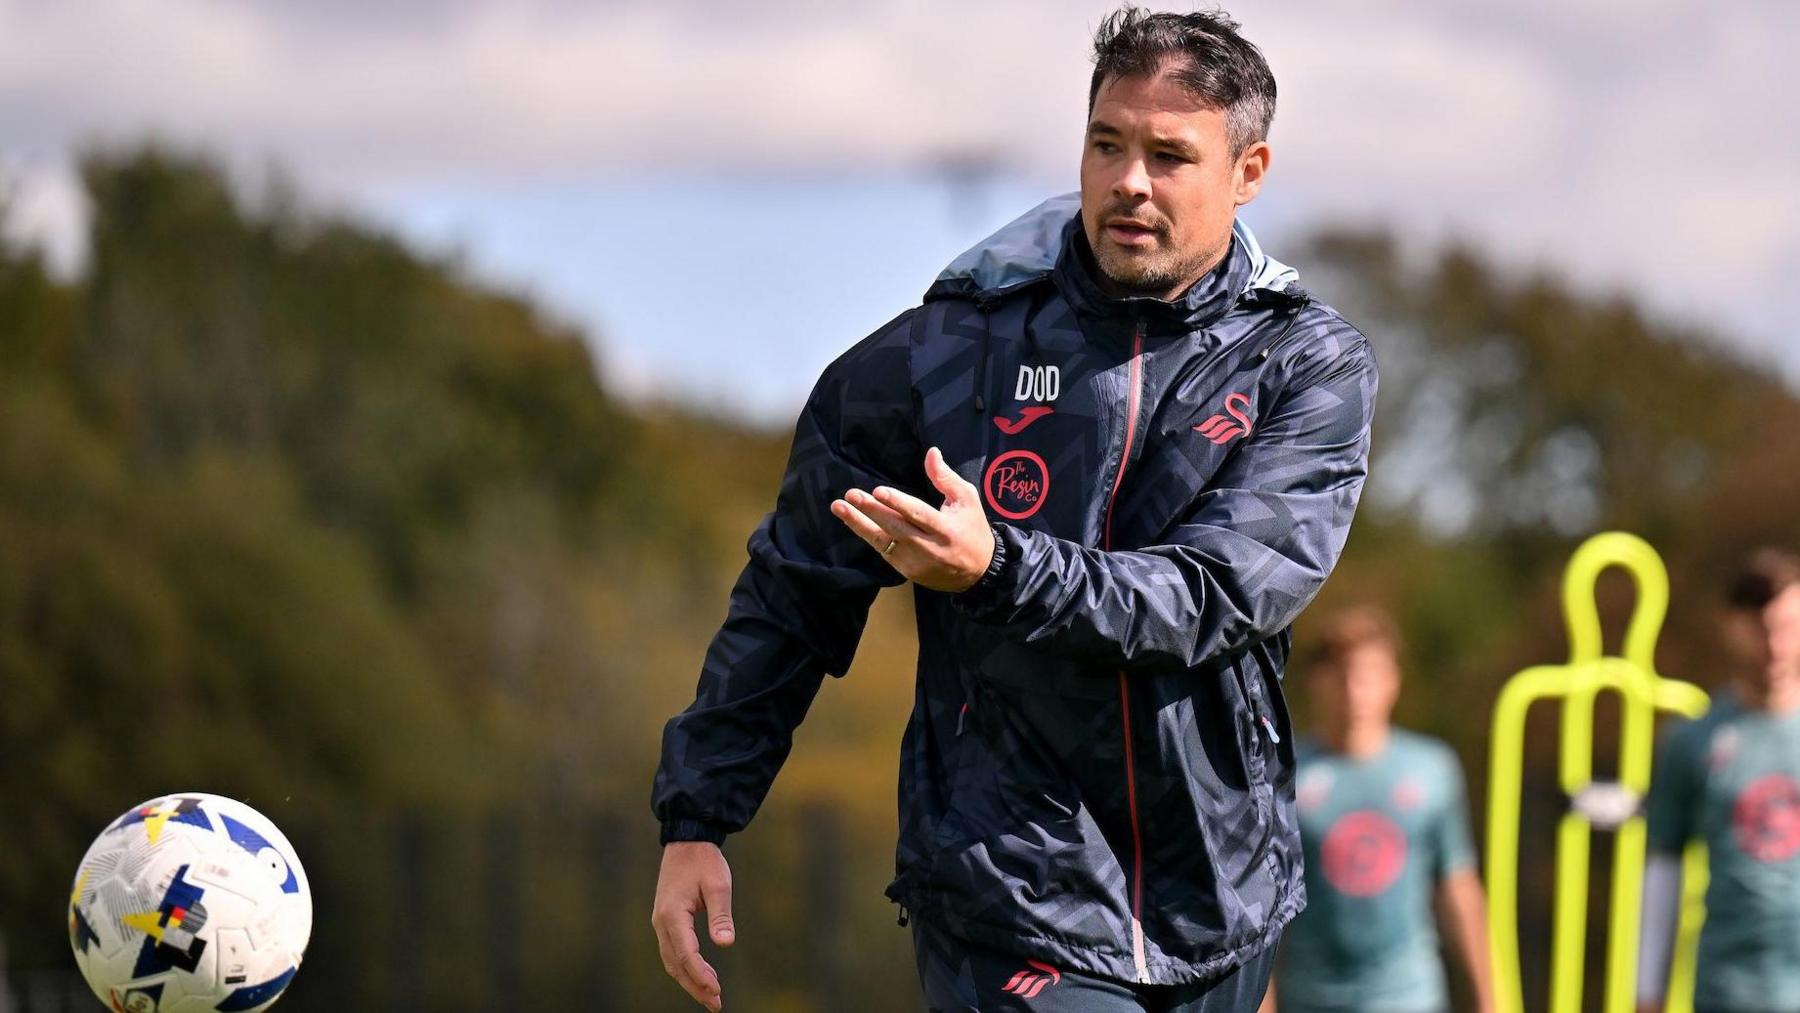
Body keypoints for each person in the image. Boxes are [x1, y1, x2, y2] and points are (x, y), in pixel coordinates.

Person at [650, 7, 1379, 1011]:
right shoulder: (941, 356)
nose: (1130, 180)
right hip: (1005, 887)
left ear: (1248, 172)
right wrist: (699, 812)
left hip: (1221, 899)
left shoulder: (1307, 364)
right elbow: (793, 588)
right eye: (1107, 143)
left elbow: (1209, 596)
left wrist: (997, 568)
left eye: (1170, 156)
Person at [1261, 608, 1492, 1013]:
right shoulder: (1282, 773)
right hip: (1310, 998)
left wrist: (1489, 997)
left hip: (1407, 996)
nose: (1354, 691)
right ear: (1317, 682)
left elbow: (1457, 886)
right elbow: (1263, 905)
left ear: (1392, 682)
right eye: (1341, 675)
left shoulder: (1433, 769)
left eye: (1368, 675)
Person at [1637, 549, 1800, 1013]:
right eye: (1764, 630)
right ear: (1732, 626)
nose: (1777, 646)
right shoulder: (1693, 741)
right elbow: (1663, 870)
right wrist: (1648, 994)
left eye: (1790, 628)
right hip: (1726, 991)